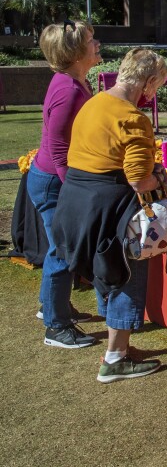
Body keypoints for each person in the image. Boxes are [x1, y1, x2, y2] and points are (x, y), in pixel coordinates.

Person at [52, 48, 167, 382]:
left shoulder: (94, 103)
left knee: (106, 272)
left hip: (76, 201)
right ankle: (115, 359)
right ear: (148, 82)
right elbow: (138, 180)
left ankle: (116, 344)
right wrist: (159, 178)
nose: (154, 93)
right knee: (125, 275)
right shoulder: (132, 118)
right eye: (157, 86)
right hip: (111, 209)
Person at [28, 20, 101, 348]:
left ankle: (53, 308)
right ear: (74, 52)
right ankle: (56, 327)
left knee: (61, 248)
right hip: (54, 183)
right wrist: (75, 189)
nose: (96, 43)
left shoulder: (74, 82)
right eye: (90, 40)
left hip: (53, 180)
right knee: (62, 250)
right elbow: (58, 148)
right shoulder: (69, 89)